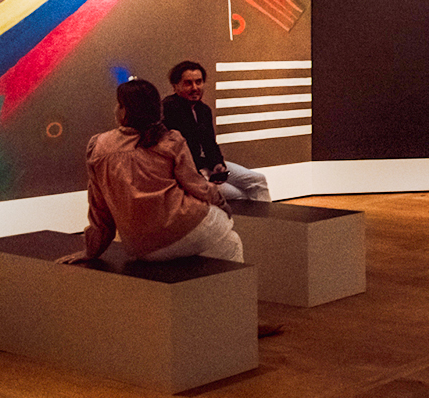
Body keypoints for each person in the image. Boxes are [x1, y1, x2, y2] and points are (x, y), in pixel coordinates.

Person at [58, 78, 243, 264]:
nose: (115, 109)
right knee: (232, 238)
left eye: (118, 104)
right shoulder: (170, 140)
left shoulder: (98, 147)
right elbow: (197, 186)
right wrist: (221, 204)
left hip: (143, 248)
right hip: (188, 226)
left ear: (125, 110)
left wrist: (91, 251)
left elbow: (99, 209)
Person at [162, 60, 271, 202]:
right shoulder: (168, 110)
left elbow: (209, 143)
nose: (195, 87)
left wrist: (217, 164)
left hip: (207, 165)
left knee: (258, 180)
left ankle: (266, 223)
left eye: (199, 82)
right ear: (175, 86)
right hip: (190, 173)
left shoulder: (203, 110)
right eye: (188, 83)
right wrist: (200, 177)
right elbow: (173, 154)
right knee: (240, 197)